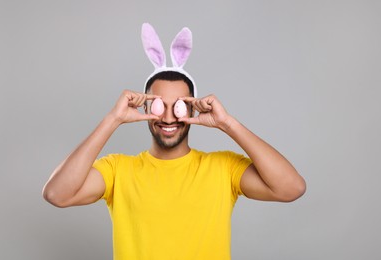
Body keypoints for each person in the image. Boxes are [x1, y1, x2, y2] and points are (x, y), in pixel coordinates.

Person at [42, 24, 306, 260]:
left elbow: (291, 188)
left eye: (179, 106)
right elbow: (57, 194)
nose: (168, 117)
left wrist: (228, 124)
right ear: (145, 107)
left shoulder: (222, 168)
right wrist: (113, 118)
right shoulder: (117, 170)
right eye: (159, 105)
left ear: (192, 110)